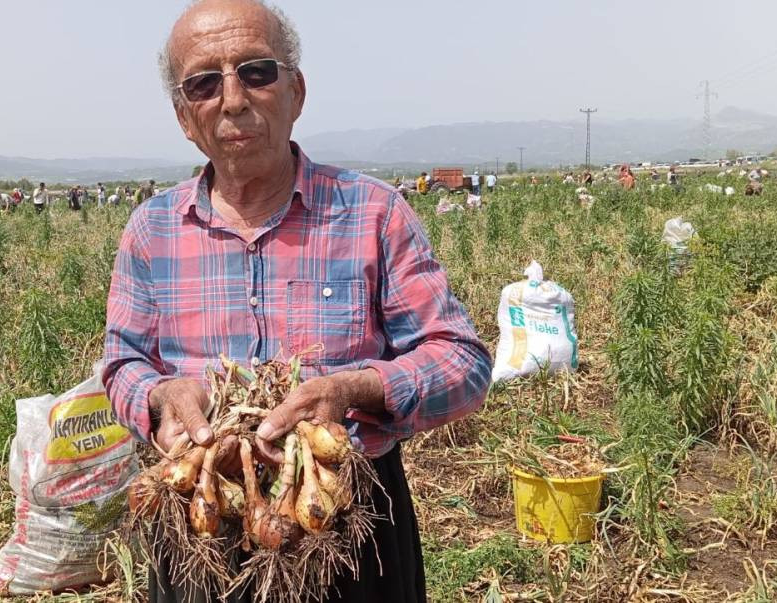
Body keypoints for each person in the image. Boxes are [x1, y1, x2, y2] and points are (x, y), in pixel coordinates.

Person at [101, 2, 493, 602]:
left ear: (297, 91)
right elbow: (121, 363)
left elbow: (462, 362)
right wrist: (158, 397)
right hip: (202, 521)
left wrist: (352, 390)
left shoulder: (373, 212)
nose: (233, 99)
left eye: (256, 71)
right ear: (185, 117)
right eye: (205, 83)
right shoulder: (151, 230)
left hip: (339, 516)